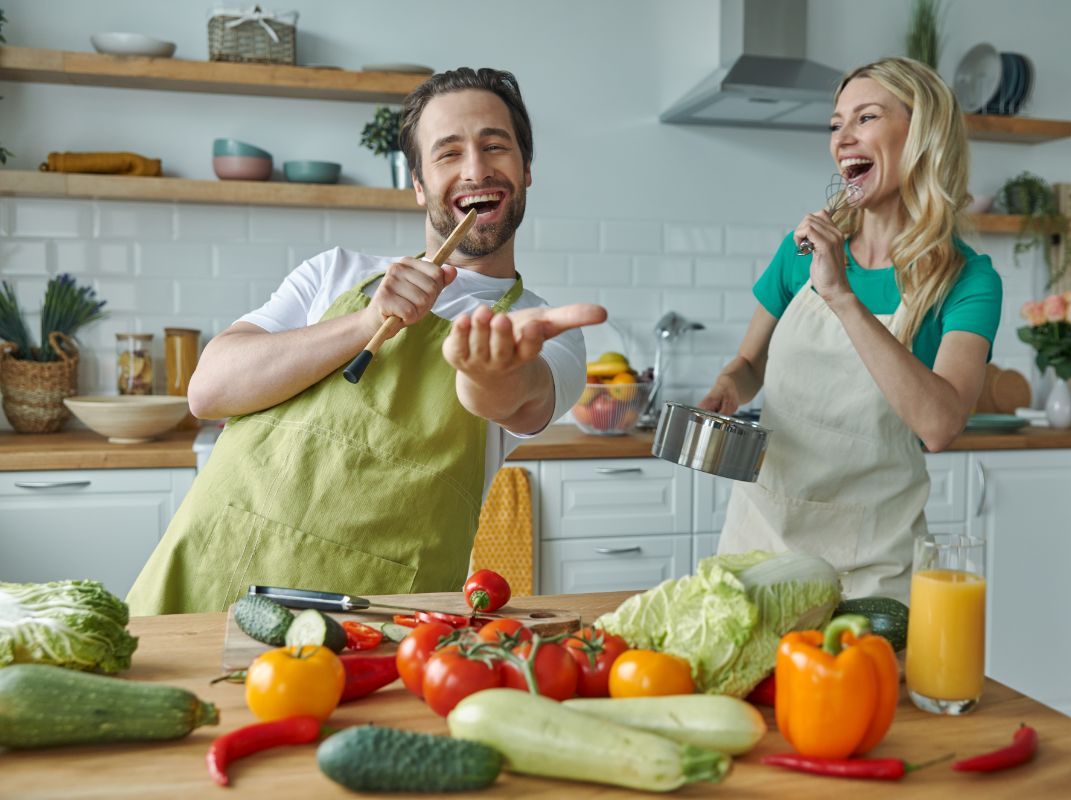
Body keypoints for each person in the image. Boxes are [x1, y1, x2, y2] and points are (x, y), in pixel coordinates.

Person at [127, 67, 606, 615]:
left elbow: (514, 401)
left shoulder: (538, 329)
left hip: (372, 614)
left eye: (495, 146)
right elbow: (208, 390)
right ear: (420, 185)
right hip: (212, 574)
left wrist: (487, 369)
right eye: (448, 153)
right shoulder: (334, 272)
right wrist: (365, 320)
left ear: (525, 171)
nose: (476, 169)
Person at [699, 57, 1002, 601]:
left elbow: (940, 424)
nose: (843, 138)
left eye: (865, 118)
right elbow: (751, 365)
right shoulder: (802, 251)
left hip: (874, 566)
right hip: (762, 543)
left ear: (922, 134)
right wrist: (728, 385)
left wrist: (841, 295)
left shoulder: (966, 279)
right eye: (836, 123)